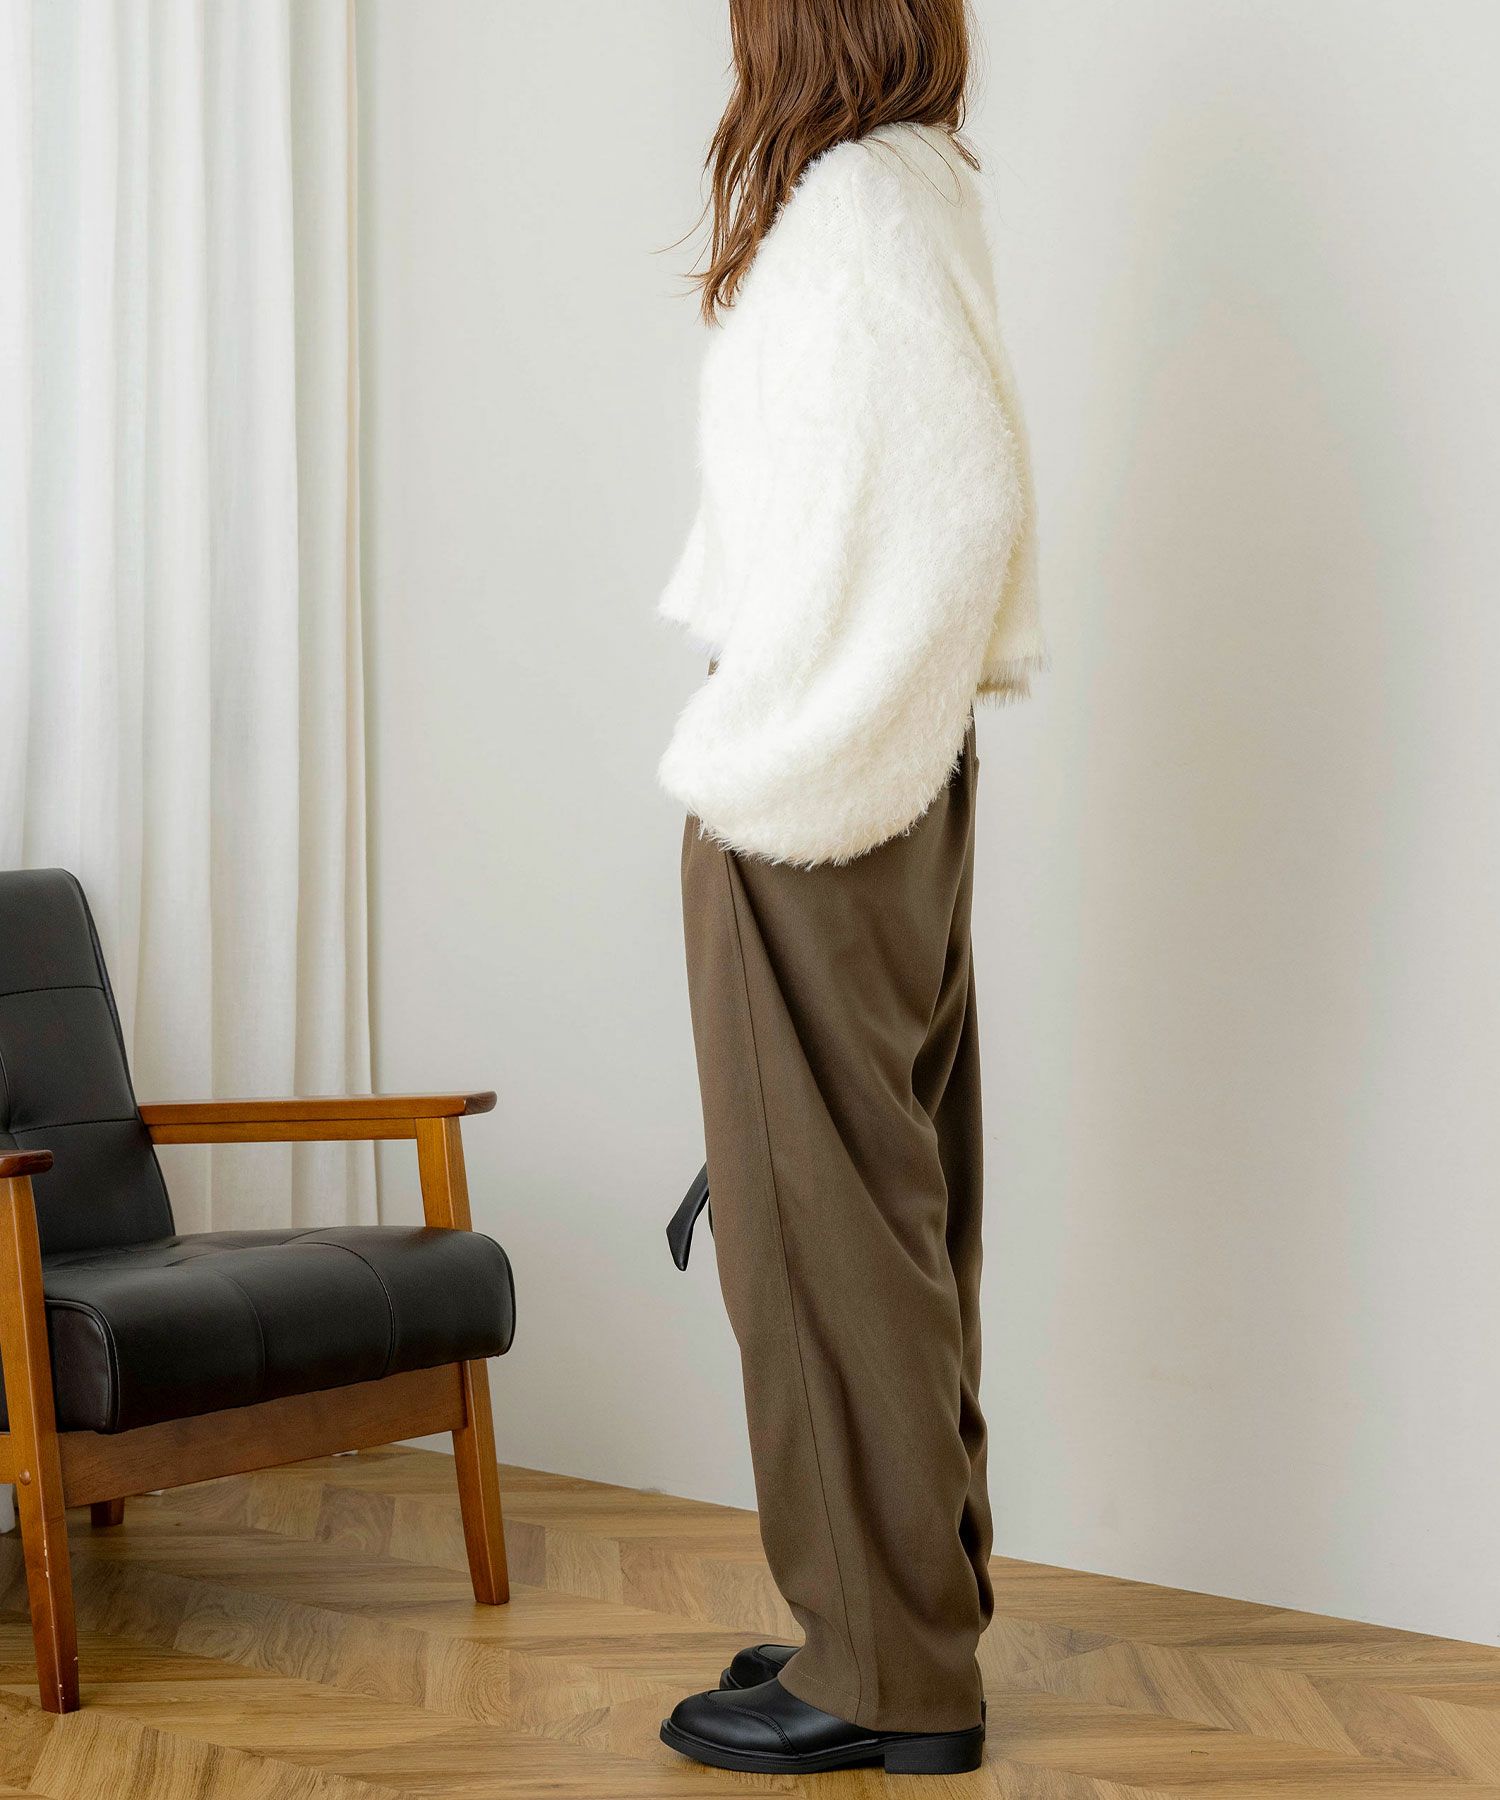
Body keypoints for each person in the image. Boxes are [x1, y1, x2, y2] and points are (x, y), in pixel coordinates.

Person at [656, 0, 1041, 1776]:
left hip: (817, 792)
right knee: (894, 1215)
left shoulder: (859, 210)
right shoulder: (912, 187)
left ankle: (884, 1671)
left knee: (817, 1238)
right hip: (889, 774)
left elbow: (949, 509)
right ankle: (899, 1617)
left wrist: (774, 737)